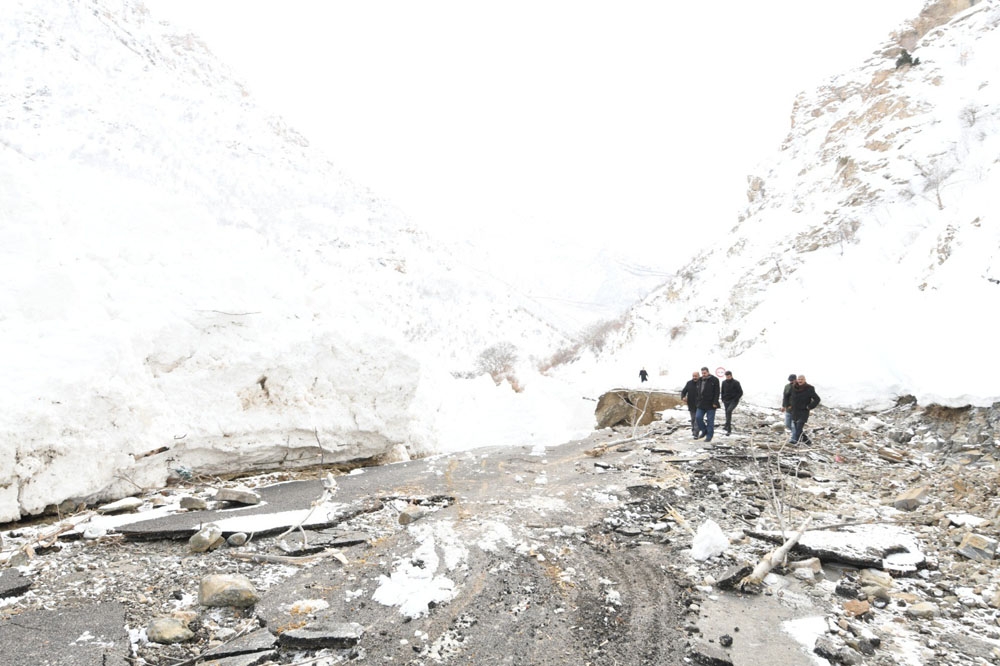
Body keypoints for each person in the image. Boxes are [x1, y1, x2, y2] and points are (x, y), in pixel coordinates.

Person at [789, 375, 821, 444]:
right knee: (797, 429)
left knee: (799, 427)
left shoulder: (809, 388)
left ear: (805, 380)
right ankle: (807, 441)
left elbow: (817, 399)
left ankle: (795, 442)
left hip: (803, 411)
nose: (800, 381)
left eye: (802, 379)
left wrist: (809, 406)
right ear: (797, 380)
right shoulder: (793, 387)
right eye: (799, 379)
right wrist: (789, 405)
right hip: (795, 411)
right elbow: (789, 397)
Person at [693, 366, 720, 442]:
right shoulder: (700, 380)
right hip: (701, 404)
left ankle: (709, 436)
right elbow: (697, 391)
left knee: (710, 421)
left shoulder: (714, 380)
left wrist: (715, 402)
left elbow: (717, 392)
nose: (703, 374)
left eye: (705, 373)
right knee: (698, 417)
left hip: (711, 404)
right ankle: (704, 430)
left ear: (708, 372)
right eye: (702, 373)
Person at [720, 370, 743, 435]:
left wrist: (736, 399)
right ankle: (726, 426)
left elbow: (740, 392)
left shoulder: (736, 382)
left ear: (731, 375)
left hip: (733, 400)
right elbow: (722, 391)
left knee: (729, 411)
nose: (727, 377)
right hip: (726, 400)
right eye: (726, 376)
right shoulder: (724, 382)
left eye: (729, 376)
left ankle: (729, 429)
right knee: (727, 413)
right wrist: (722, 398)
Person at [680, 371, 700, 437]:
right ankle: (694, 430)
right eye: (693, 376)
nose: (694, 377)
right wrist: (683, 397)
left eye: (696, 376)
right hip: (691, 404)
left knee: (697, 418)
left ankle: (696, 433)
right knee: (693, 419)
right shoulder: (689, 383)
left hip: (700, 404)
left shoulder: (702, 383)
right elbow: (683, 392)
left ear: (699, 376)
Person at [781, 373, 796, 442]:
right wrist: (783, 406)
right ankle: (799, 434)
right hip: (788, 409)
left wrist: (792, 405)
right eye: (790, 380)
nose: (791, 382)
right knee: (787, 424)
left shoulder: (798, 387)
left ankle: (794, 439)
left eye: (792, 380)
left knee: (794, 425)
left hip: (795, 409)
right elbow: (785, 397)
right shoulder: (787, 386)